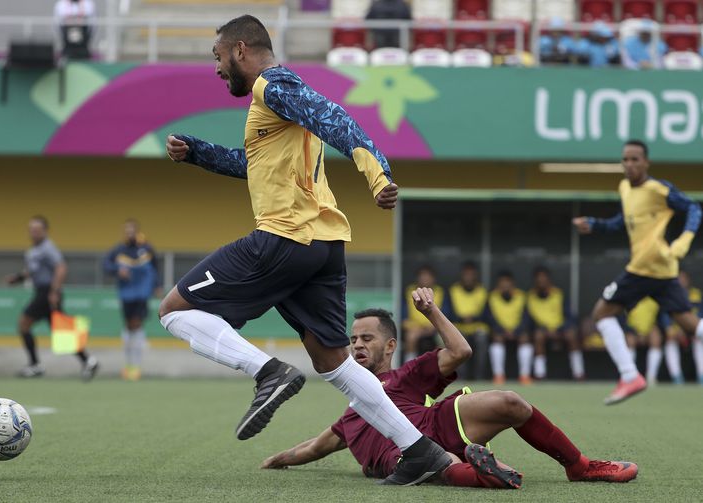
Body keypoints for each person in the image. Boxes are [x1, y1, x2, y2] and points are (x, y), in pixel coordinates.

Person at [160, 15, 449, 486]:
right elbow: (252, 166)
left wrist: (378, 175)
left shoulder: (273, 87)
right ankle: (419, 451)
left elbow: (337, 120)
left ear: (238, 50)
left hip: (284, 238)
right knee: (333, 360)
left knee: (174, 309)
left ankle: (268, 372)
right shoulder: (275, 102)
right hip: (323, 246)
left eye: (217, 58)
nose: (216, 70)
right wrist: (196, 153)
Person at [261, 289, 638, 487]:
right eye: (353, 338)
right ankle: (486, 474)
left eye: (367, 338)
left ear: (389, 346)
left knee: (511, 401)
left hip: (435, 426)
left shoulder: (406, 376)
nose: (357, 344)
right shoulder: (349, 417)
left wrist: (431, 313)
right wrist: (276, 460)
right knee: (439, 465)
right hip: (404, 459)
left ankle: (579, 466)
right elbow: (311, 448)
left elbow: (461, 351)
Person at [573, 139, 703, 405]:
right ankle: (630, 375)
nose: (630, 164)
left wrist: (682, 242)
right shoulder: (624, 188)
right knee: (691, 325)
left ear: (646, 162)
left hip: (644, 269)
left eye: (635, 159)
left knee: (601, 314)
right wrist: (595, 224)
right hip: (662, 272)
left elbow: (693, 208)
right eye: (626, 159)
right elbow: (622, 222)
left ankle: (630, 375)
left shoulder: (658, 189)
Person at [6, 216, 99, 379]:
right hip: (42, 292)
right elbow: (32, 270)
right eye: (31, 229)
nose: (34, 233)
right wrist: (18, 278)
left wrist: (54, 292)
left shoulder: (48, 247)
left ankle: (35, 365)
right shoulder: (34, 250)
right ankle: (89, 360)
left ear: (45, 231)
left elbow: (61, 267)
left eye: (37, 230)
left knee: (24, 324)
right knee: (62, 331)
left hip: (47, 292)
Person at [104, 219, 160, 381]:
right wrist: (117, 270)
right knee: (129, 326)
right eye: (126, 231)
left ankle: (136, 366)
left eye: (131, 231)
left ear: (136, 231)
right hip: (126, 293)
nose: (129, 234)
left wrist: (157, 285)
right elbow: (106, 264)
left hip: (142, 293)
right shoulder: (119, 250)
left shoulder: (146, 248)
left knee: (136, 324)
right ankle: (129, 365)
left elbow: (155, 267)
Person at [527, 266, 584, 381]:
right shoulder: (529, 297)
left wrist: (560, 329)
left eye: (544, 278)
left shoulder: (558, 294)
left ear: (549, 280)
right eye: (539, 279)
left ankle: (579, 373)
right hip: (542, 331)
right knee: (538, 336)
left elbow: (570, 316)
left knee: (572, 335)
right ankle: (540, 374)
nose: (541, 281)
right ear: (535, 281)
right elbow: (529, 319)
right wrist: (543, 329)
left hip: (560, 330)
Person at [446, 261, 489, 380]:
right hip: (458, 327)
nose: (469, 277)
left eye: (471, 274)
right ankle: (460, 377)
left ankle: (479, 376)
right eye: (466, 274)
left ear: (476, 276)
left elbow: (486, 314)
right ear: (462, 275)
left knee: (482, 338)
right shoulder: (453, 290)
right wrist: (461, 318)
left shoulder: (482, 291)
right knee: (459, 342)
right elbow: (449, 312)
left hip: (477, 327)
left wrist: (473, 318)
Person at [487, 270, 531, 385]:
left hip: (517, 331)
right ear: (498, 286)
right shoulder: (492, 297)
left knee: (525, 338)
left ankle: (524, 376)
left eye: (508, 285)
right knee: (497, 338)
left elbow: (526, 317)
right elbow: (490, 318)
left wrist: (516, 331)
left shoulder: (521, 296)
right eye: (502, 285)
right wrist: (502, 331)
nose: (505, 287)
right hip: (500, 331)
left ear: (513, 285)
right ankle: (498, 375)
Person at [662, 270, 702, 384]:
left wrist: (692, 330)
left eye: (683, 278)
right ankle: (676, 377)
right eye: (678, 279)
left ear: (688, 280)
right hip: (677, 331)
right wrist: (669, 328)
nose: (681, 281)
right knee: (670, 339)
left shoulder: (696, 294)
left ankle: (701, 375)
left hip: (693, 328)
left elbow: (700, 313)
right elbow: (665, 314)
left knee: (700, 338)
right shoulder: (670, 295)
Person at [401, 265, 443, 361]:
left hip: (435, 328)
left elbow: (446, 313)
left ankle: (441, 368)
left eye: (428, 276)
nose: (425, 278)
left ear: (433, 278)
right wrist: (416, 327)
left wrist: (434, 326)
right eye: (422, 276)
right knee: (410, 337)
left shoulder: (441, 292)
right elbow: (403, 316)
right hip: (415, 328)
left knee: (443, 339)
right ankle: (409, 367)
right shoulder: (409, 291)